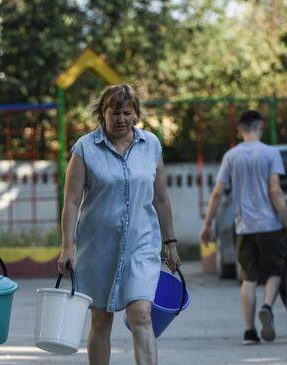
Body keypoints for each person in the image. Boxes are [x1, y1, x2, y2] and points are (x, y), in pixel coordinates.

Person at [58, 84, 181, 365]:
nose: (121, 119)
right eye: (114, 112)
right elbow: (72, 203)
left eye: (127, 112)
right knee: (101, 320)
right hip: (98, 247)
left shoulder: (151, 146)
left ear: (136, 114)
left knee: (142, 316)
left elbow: (161, 199)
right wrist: (67, 247)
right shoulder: (85, 149)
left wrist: (170, 243)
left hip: (141, 245)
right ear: (102, 114)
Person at [200, 109, 287, 345]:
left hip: (244, 226)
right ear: (261, 127)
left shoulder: (231, 156)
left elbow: (217, 192)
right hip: (270, 225)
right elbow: (275, 191)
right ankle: (267, 306)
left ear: (240, 130)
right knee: (274, 272)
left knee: (248, 278)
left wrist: (207, 225)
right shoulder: (270, 153)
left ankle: (249, 332)